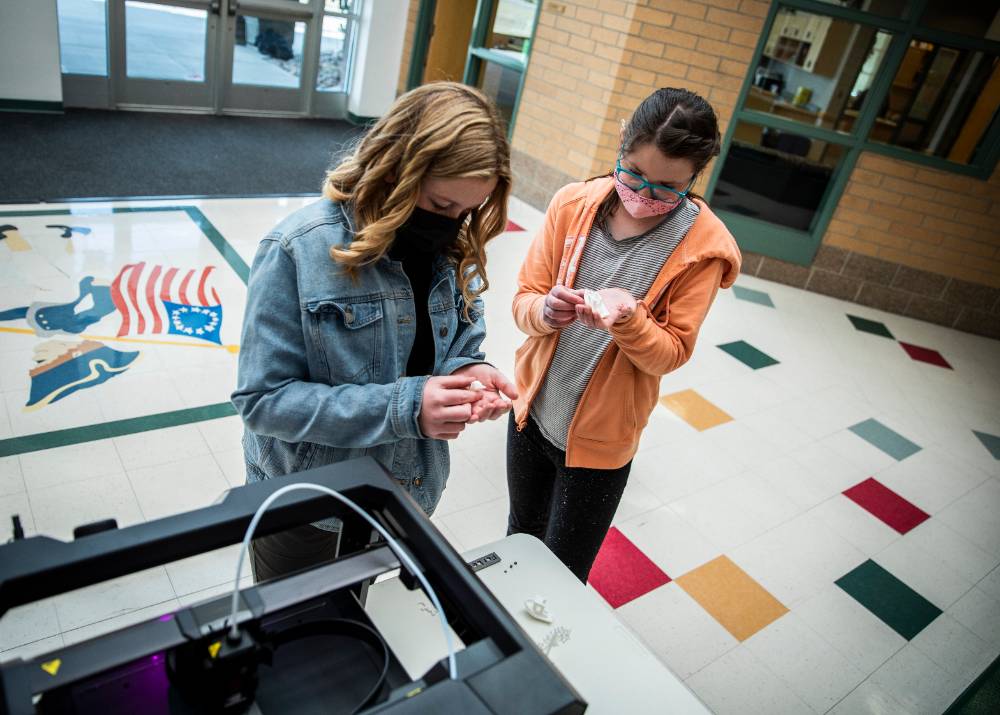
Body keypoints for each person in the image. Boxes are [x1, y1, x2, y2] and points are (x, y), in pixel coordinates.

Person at [232, 82, 517, 582]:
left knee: (358, 614)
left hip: (404, 490)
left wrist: (473, 371)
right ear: (394, 170)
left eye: (468, 211)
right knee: (296, 632)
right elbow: (263, 400)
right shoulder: (298, 249)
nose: (453, 226)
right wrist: (407, 407)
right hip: (305, 503)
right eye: (440, 204)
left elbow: (459, 344)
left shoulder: (455, 250)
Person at [507, 88, 742, 582]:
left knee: (562, 574)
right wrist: (546, 311)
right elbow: (523, 301)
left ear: (696, 177)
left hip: (602, 443)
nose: (643, 195)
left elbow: (670, 354)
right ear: (621, 142)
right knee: (519, 542)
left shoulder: (702, 249)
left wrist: (629, 322)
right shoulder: (572, 205)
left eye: (666, 187)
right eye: (633, 172)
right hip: (532, 414)